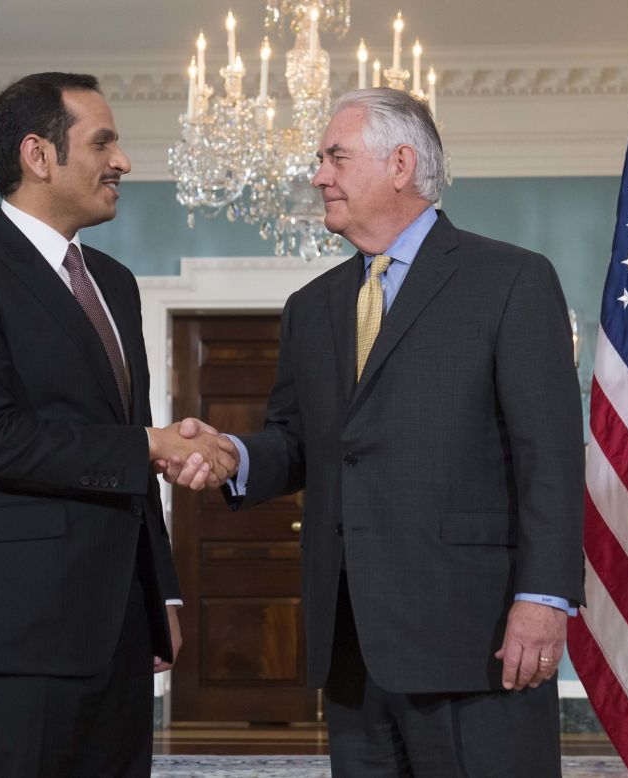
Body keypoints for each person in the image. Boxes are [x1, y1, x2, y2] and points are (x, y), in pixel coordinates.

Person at [164, 87, 585, 776]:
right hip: (353, 648)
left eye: (334, 156)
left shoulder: (510, 280)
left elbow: (551, 458)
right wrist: (228, 452)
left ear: (400, 163)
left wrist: (542, 599)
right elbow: (297, 442)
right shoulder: (312, 307)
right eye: (319, 159)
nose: (318, 174)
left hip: (473, 639)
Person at [0, 72, 236, 777]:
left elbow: (127, 441)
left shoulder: (114, 281)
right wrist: (148, 445)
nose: (122, 162)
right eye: (103, 142)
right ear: (38, 155)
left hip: (118, 628)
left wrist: (163, 591)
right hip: (11, 632)